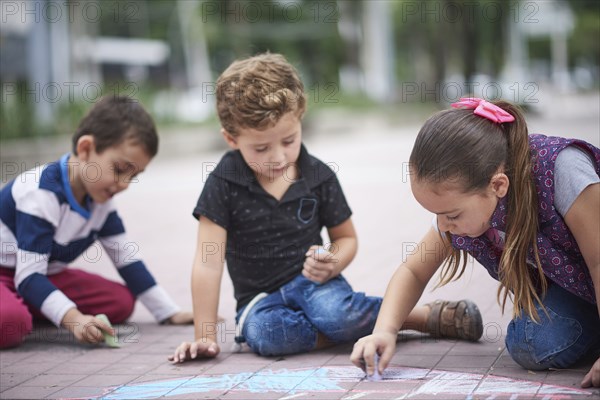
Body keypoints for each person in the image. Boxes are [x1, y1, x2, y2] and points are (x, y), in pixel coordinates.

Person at [169, 53, 483, 362]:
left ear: (301, 116)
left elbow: (346, 239)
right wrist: (205, 336)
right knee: (267, 335)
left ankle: (420, 316)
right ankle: (369, 328)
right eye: (261, 148)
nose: (278, 157)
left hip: (317, 285)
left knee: (337, 314)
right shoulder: (223, 182)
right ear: (231, 138)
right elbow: (208, 262)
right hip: (260, 300)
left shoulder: (318, 175)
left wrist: (332, 262)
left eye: (289, 140)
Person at [350, 98, 600, 388]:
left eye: (451, 215)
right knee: (530, 342)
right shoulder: (466, 197)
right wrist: (385, 331)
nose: (443, 225)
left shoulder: (560, 169)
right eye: (437, 215)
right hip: (582, 288)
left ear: (497, 185)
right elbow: (413, 271)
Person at [0, 95, 193, 349]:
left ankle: (38, 305)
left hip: (44, 274)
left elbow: (127, 260)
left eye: (133, 176)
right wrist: (74, 319)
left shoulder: (100, 202)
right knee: (10, 323)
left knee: (120, 302)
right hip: (10, 273)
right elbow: (28, 277)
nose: (124, 184)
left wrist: (168, 312)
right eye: (120, 169)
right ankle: (27, 308)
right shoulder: (40, 193)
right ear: (86, 148)